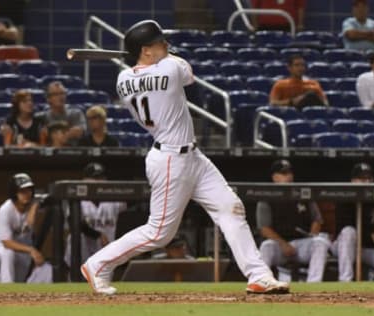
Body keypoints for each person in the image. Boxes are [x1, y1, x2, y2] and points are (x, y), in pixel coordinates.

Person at [81, 20, 289, 295]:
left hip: (191, 156)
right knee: (159, 233)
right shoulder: (170, 67)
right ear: (145, 50)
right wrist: (161, 57)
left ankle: (259, 275)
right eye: (159, 42)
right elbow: (187, 73)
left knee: (230, 207)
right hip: (170, 160)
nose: (165, 44)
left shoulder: (123, 79)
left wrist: (151, 56)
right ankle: (97, 264)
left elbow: (155, 68)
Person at [256, 160, 330, 282]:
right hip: (279, 245)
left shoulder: (302, 193)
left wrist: (311, 236)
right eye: (284, 174)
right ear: (275, 177)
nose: (288, 176)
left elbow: (317, 220)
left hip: (301, 244)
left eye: (289, 173)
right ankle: (262, 283)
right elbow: (264, 228)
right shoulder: (266, 196)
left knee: (320, 242)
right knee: (266, 246)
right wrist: (283, 244)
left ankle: (314, 284)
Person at [0, 173, 51, 283]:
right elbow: (7, 243)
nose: (27, 194)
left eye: (29, 190)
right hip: (0, 247)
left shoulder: (32, 203)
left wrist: (35, 206)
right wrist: (31, 250)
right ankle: (6, 290)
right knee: (8, 254)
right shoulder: (5, 210)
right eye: (22, 191)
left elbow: (50, 198)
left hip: (23, 250)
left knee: (20, 281)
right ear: (14, 193)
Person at [64, 162, 127, 268]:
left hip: (104, 256)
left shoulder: (114, 200)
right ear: (84, 180)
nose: (98, 181)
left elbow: (135, 201)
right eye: (94, 178)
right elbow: (75, 224)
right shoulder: (76, 200)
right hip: (80, 255)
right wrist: (97, 235)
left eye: (101, 178)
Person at [38, 81, 87, 145]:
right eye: (56, 94)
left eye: (62, 93)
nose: (60, 97)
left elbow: (80, 131)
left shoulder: (76, 113)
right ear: (48, 98)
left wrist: (63, 137)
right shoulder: (41, 117)